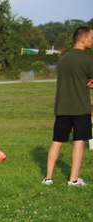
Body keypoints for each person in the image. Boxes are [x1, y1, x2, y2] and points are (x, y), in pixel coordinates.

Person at [43, 26, 93, 186]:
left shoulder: (62, 60)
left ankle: (48, 178)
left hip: (62, 108)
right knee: (79, 142)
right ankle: (73, 180)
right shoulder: (87, 60)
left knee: (56, 141)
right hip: (81, 107)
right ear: (83, 39)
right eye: (92, 38)